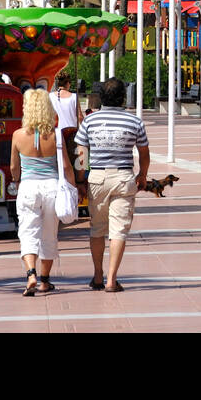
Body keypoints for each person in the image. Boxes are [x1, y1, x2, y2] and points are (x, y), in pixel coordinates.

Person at [74, 77, 149, 293]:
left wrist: (80, 180)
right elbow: (144, 152)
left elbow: (81, 154)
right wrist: (143, 175)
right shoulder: (134, 122)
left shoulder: (90, 121)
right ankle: (111, 279)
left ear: (101, 97)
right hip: (124, 178)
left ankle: (98, 275)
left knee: (97, 229)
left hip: (96, 178)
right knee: (119, 231)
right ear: (122, 98)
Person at [10, 89, 75, 296]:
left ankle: (31, 274)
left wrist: (17, 181)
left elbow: (13, 167)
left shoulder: (18, 135)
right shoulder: (56, 135)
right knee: (49, 234)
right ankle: (45, 281)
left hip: (28, 187)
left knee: (28, 231)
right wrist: (74, 188)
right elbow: (65, 166)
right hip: (51, 187)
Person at [49, 72, 83, 191]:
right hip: (72, 134)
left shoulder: (50, 96)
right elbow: (79, 117)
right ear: (68, 83)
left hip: (56, 134)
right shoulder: (74, 97)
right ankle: (77, 183)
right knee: (78, 162)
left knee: (58, 163)